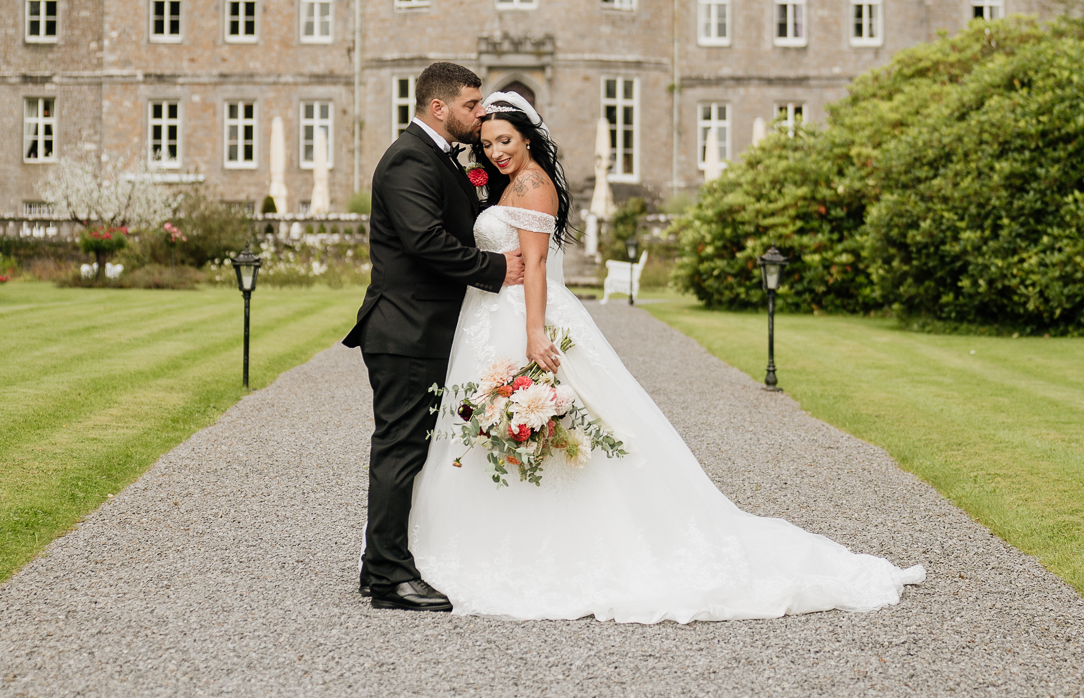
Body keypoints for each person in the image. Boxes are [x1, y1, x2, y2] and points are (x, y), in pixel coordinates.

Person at [407, 91, 925, 623]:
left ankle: (541, 544)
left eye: (505, 140)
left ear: (527, 137)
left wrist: (535, 335)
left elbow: (535, 267)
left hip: (522, 316)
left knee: (558, 424)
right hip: (493, 316)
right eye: (488, 142)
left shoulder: (533, 185)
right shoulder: (510, 183)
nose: (495, 151)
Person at [341, 62, 523, 611]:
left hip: (428, 329)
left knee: (413, 450)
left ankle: (381, 565)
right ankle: (391, 577)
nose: (480, 113)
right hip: (405, 329)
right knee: (399, 449)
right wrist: (496, 268)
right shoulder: (406, 161)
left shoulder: (442, 159)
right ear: (438, 107)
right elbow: (425, 242)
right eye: (472, 105)